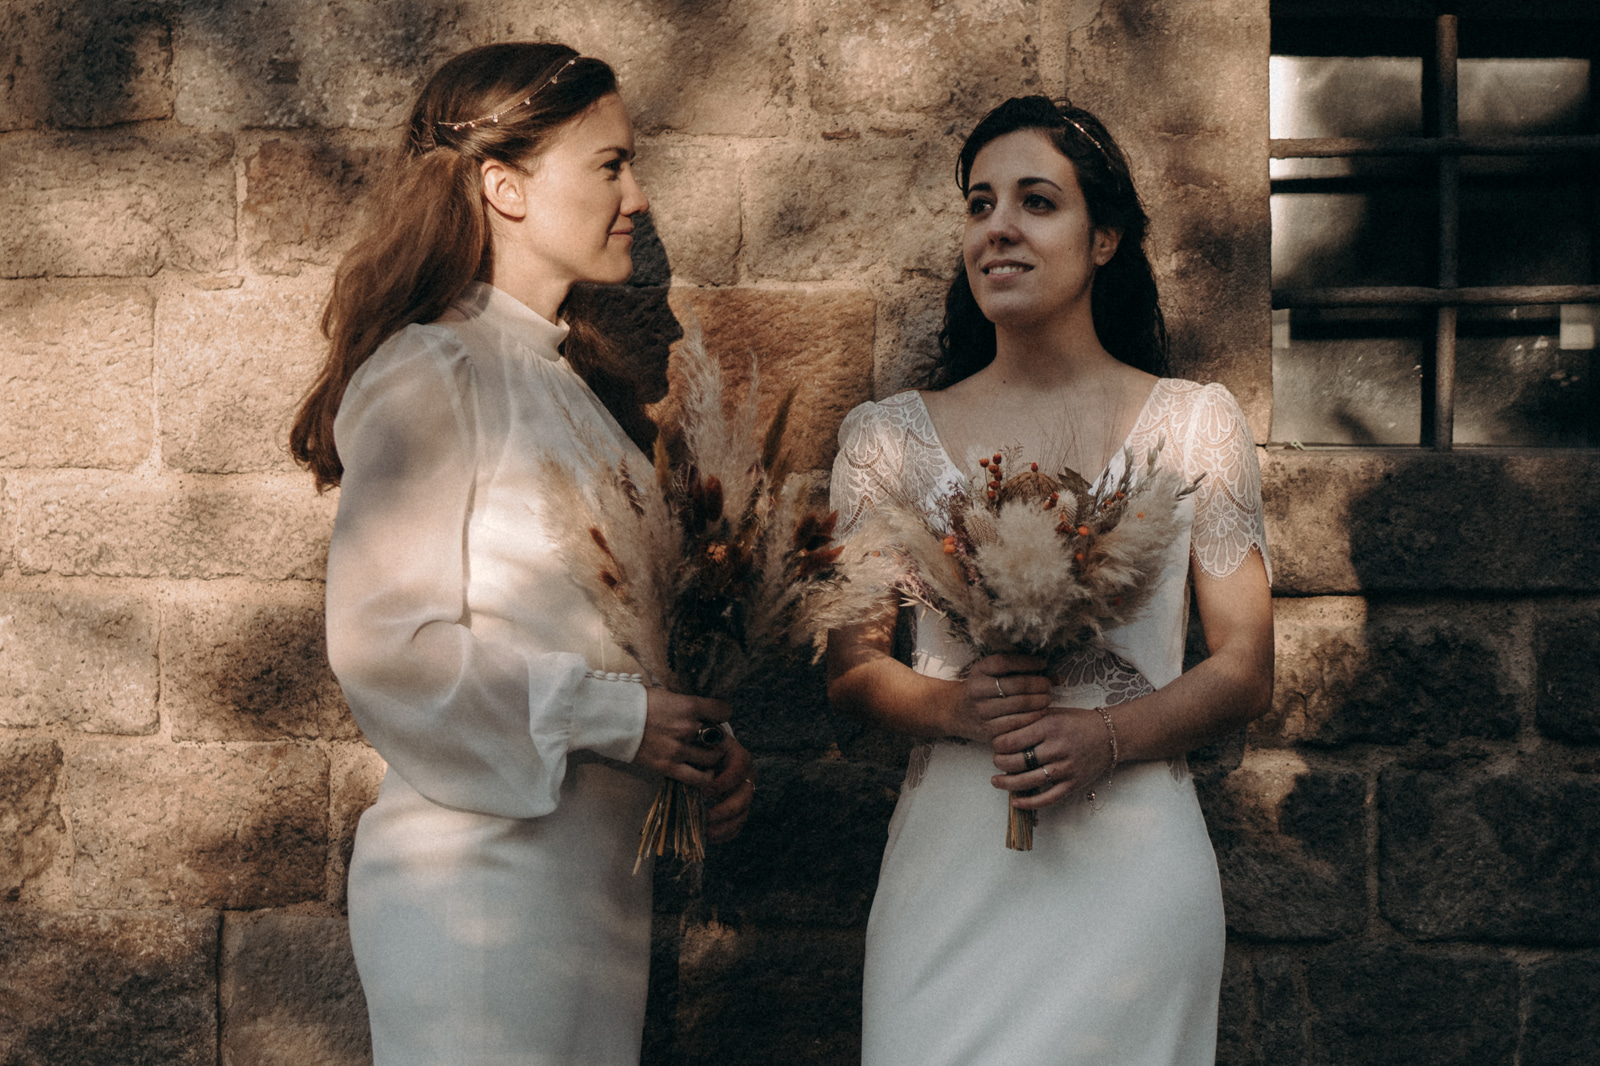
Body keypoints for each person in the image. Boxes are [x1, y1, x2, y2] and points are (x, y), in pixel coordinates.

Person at [289, 43, 754, 1066]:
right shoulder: (433, 366)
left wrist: (694, 747)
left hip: (587, 893)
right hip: (478, 895)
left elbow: (597, 630)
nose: (636, 197)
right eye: (609, 165)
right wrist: (622, 717)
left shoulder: (576, 390)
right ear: (503, 186)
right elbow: (386, 647)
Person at [827, 96, 1274, 1066]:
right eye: (979, 204)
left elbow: (1244, 667)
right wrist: (956, 707)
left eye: (1036, 202)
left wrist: (1105, 735)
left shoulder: (1194, 425)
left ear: (1103, 235)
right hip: (951, 862)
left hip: (1131, 870)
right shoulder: (884, 441)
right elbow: (849, 665)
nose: (998, 227)